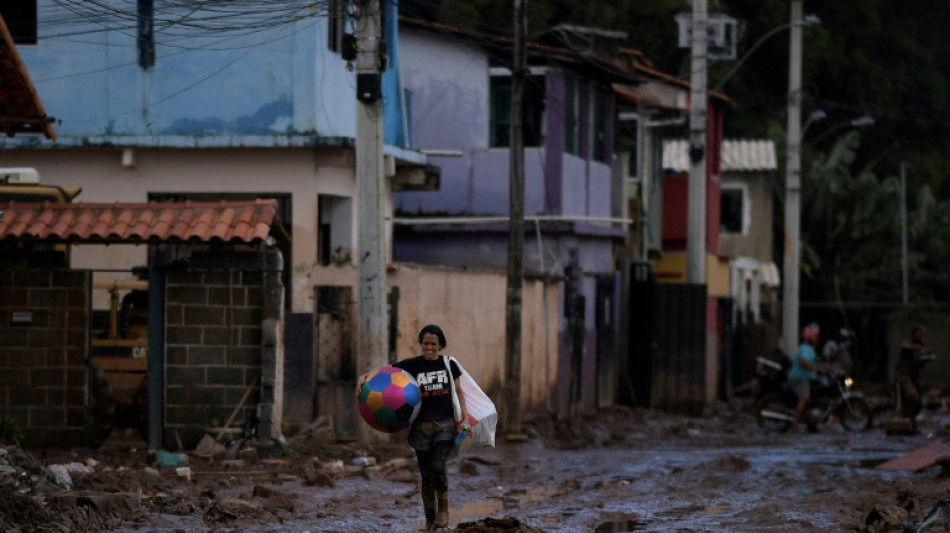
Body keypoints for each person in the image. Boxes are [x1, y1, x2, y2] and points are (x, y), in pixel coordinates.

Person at [358, 324, 469, 531]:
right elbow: (387, 369)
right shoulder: (412, 365)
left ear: (440, 345)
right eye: (426, 343)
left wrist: (465, 417)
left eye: (434, 344)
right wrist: (365, 376)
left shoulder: (449, 363)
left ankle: (444, 510)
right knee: (426, 476)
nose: (429, 347)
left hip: (444, 425)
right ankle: (430, 521)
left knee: (437, 466)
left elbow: (459, 391)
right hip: (420, 429)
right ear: (421, 344)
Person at [895, 325, 933, 431]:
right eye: (919, 335)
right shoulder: (907, 343)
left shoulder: (920, 346)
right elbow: (906, 346)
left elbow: (918, 361)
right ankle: (904, 420)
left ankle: (912, 423)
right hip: (904, 375)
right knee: (912, 396)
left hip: (914, 375)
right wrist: (920, 348)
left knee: (917, 400)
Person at [787, 323, 824, 432]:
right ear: (809, 337)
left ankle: (811, 423)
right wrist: (814, 369)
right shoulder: (806, 348)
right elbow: (803, 361)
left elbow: (816, 362)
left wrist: (826, 367)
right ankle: (795, 424)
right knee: (805, 398)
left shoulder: (810, 349)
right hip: (799, 378)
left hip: (805, 379)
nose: (816, 339)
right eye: (814, 336)